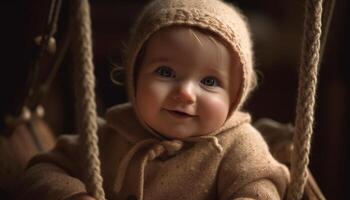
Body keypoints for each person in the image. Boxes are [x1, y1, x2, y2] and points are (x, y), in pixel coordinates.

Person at [16, 0, 290, 199]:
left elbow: (264, 183)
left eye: (209, 82)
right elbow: (40, 172)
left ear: (236, 95)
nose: (185, 93)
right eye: (165, 72)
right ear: (135, 75)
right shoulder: (109, 134)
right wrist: (74, 195)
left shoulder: (239, 143)